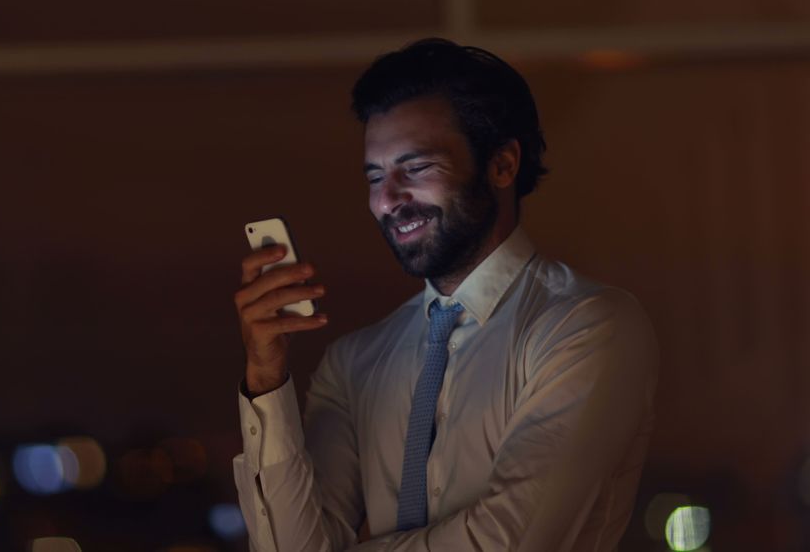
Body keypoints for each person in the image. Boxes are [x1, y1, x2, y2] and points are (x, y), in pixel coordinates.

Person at [231, 38, 658, 551]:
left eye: (416, 168)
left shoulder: (588, 327)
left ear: (502, 166)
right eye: (375, 176)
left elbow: (509, 544)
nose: (388, 200)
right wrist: (265, 378)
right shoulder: (354, 364)